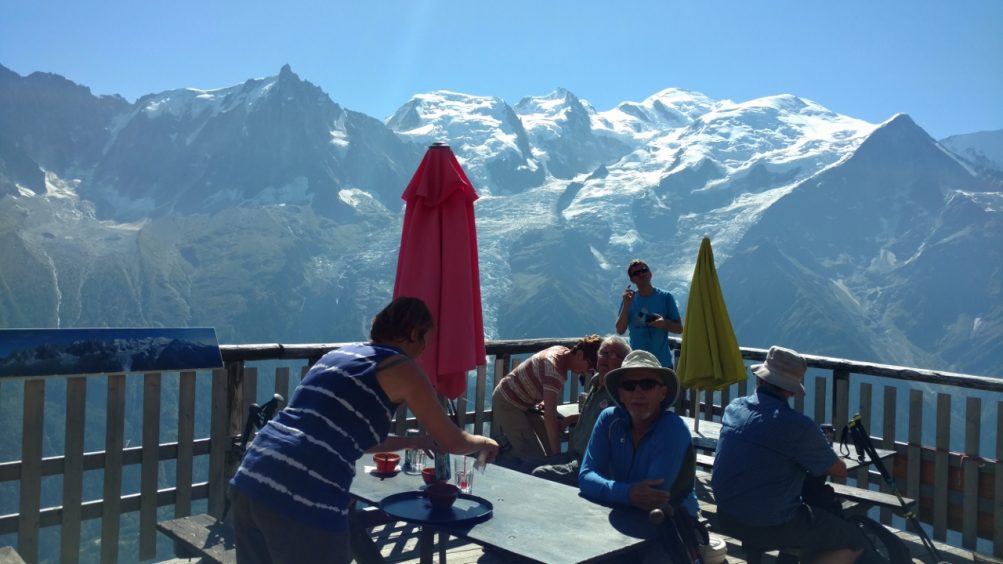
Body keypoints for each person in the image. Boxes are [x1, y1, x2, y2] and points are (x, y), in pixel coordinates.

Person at [229, 297, 499, 564]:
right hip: (304, 487)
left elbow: (352, 438)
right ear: (414, 334)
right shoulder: (401, 368)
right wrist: (485, 442)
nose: (426, 348)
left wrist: (414, 441)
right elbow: (452, 441)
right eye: (426, 338)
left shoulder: (338, 355)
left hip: (253, 475)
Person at [711, 346, 878, 564]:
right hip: (770, 525)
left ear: (760, 379)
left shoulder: (734, 408)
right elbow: (839, 470)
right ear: (790, 391)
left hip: (727, 516)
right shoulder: (798, 427)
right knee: (853, 541)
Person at [579, 350, 698, 517]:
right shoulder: (608, 419)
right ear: (620, 394)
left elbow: (651, 499)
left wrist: (612, 491)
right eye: (629, 386)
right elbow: (585, 477)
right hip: (624, 515)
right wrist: (628, 494)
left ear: (662, 393)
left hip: (674, 525)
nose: (638, 392)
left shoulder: (673, 429)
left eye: (648, 384)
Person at [529, 336, 630, 485]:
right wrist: (569, 420)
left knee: (539, 474)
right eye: (603, 353)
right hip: (574, 455)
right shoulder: (595, 382)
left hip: (592, 463)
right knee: (528, 465)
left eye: (613, 354)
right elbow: (592, 414)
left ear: (624, 362)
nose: (605, 358)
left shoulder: (620, 394)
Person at [492, 334, 602, 461]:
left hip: (526, 403)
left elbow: (541, 378)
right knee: (534, 457)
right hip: (507, 402)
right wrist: (557, 458)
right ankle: (502, 452)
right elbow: (550, 417)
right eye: (589, 366)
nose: (587, 371)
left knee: (546, 442)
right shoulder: (553, 370)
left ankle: (512, 450)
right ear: (579, 355)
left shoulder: (561, 351)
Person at [615, 259, 683, 367]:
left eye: (644, 270)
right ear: (632, 279)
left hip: (662, 364)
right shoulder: (628, 299)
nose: (641, 274)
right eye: (636, 273)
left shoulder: (666, 297)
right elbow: (620, 330)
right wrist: (627, 304)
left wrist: (664, 323)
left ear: (650, 274)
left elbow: (679, 328)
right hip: (636, 363)